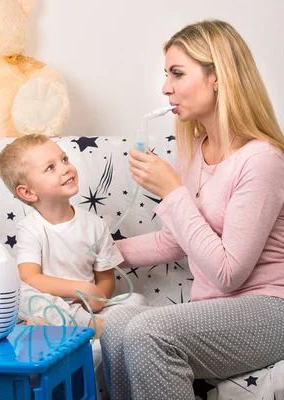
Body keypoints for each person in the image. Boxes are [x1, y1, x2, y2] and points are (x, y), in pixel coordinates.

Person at [100, 19, 284, 400]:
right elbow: (175, 241)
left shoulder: (261, 159)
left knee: (149, 333)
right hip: (215, 312)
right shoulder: (195, 151)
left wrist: (172, 192)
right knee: (118, 322)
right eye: (166, 74)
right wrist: (102, 254)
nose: (165, 88)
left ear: (217, 76)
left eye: (177, 74)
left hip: (270, 310)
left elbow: (229, 274)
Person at [0, 134, 148, 337]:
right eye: (50, 167)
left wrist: (98, 297)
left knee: (136, 301)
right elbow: (30, 277)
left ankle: (68, 326)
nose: (65, 167)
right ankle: (90, 328)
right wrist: (78, 287)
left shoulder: (95, 225)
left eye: (64, 159)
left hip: (84, 308)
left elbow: (106, 279)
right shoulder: (30, 228)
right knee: (21, 294)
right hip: (49, 304)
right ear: (28, 193)